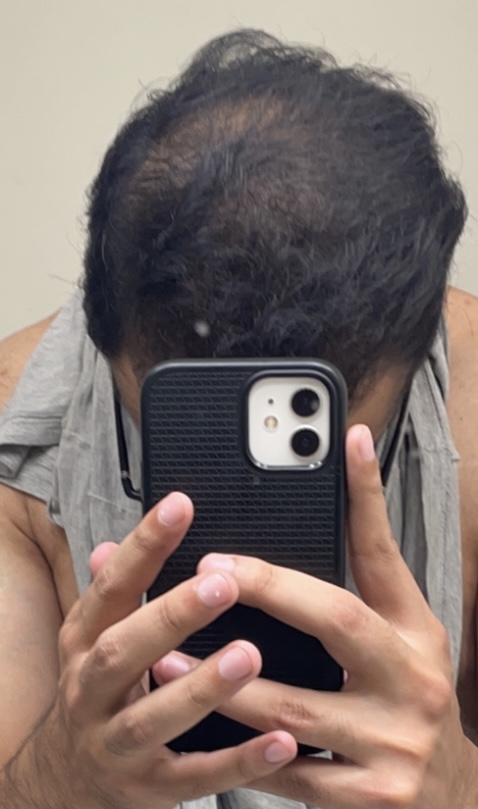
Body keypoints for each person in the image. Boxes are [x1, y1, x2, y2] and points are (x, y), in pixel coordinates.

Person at [0, 28, 477, 808]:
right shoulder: (22, 435)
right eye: (176, 438)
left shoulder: (469, 415)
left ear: (420, 337)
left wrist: (460, 788)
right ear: (99, 327)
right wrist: (58, 780)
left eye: (324, 470)